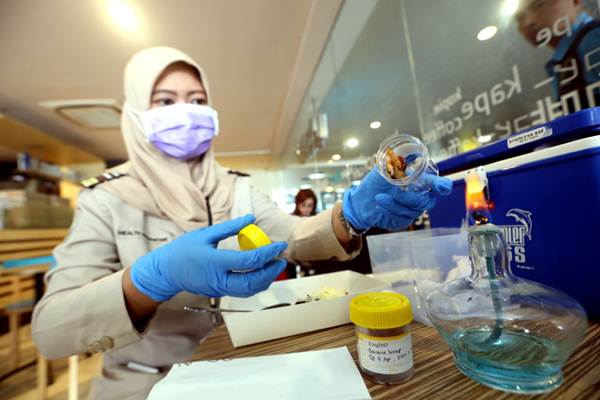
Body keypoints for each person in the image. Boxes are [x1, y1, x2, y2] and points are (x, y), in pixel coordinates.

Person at [31, 47, 452, 399]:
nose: (186, 111)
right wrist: (149, 280)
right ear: (136, 113)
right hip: (143, 384)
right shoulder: (104, 198)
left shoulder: (236, 187)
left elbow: (293, 238)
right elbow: (51, 331)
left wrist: (351, 215)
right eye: (165, 101)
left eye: (197, 100)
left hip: (242, 365)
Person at [516, 0, 600, 109]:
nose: (528, 22)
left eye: (539, 4)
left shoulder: (592, 38)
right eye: (519, 18)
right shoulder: (565, 57)